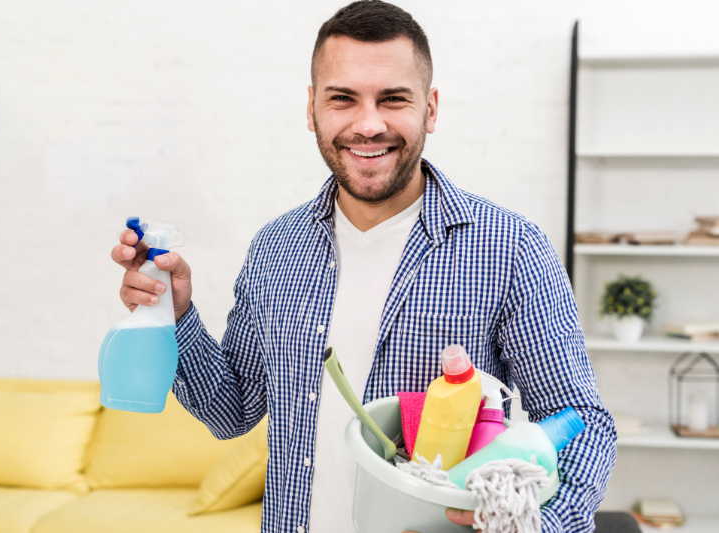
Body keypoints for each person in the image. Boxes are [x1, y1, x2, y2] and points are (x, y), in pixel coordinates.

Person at [110, 2, 616, 532]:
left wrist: (533, 526)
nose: (368, 124)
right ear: (312, 109)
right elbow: (231, 411)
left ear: (432, 108)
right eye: (343, 99)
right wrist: (177, 315)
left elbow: (582, 425)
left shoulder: (511, 249)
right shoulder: (275, 249)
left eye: (393, 99)